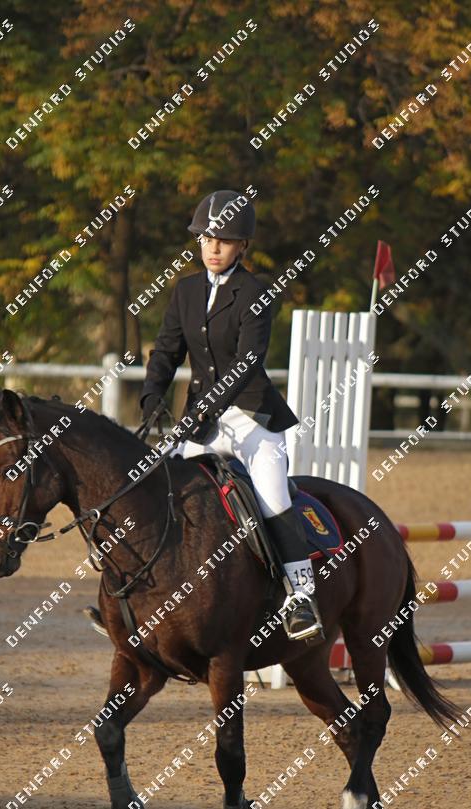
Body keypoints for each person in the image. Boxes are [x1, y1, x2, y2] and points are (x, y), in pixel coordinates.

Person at [137, 189, 323, 641]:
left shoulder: (255, 292)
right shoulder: (186, 291)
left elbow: (247, 362)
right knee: (160, 492)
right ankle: (144, 595)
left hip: (252, 419)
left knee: (272, 498)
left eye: (223, 241)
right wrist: (151, 395)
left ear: (242, 246)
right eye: (206, 239)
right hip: (202, 422)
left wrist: (204, 409)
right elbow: (166, 351)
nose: (213, 248)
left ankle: (301, 598)